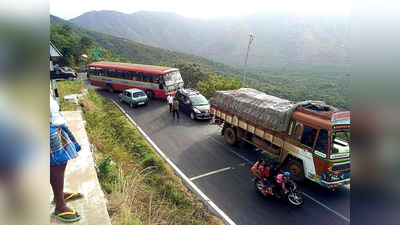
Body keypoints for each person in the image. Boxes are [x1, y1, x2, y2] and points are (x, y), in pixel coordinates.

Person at [50, 91, 84, 223]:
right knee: (55, 165)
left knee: (60, 162)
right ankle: (60, 206)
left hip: (54, 121)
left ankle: (59, 196)